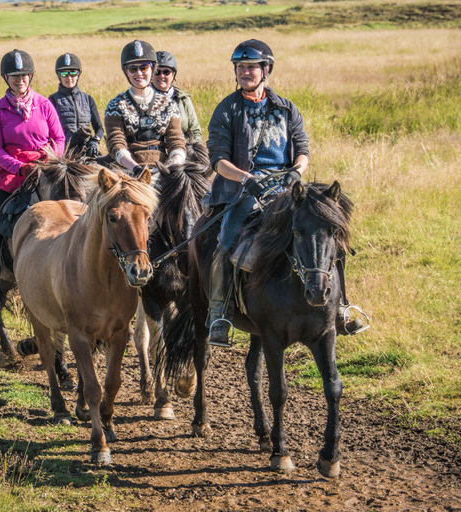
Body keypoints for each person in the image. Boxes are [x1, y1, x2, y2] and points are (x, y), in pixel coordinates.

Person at [205, 39, 365, 345]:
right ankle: (219, 316)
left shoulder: (286, 108)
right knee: (225, 244)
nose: (244, 72)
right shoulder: (226, 109)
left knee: (333, 237)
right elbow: (218, 159)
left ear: (266, 70)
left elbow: (302, 149)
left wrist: (297, 170)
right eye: (240, 67)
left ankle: (342, 308)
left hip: (287, 191)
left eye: (251, 67)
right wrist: (245, 178)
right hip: (244, 192)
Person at [0, 49, 65, 289]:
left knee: (74, 202)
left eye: (24, 75)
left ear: (31, 76)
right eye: (15, 75)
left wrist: (51, 160)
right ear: (6, 78)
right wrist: (20, 168)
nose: (20, 80)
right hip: (12, 172)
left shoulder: (44, 105)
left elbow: (59, 138)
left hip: (45, 167)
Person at [104, 40, 187, 176]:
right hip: (127, 170)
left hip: (163, 170)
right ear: (126, 71)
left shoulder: (169, 105)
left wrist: (172, 166)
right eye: (132, 69)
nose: (139, 73)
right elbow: (116, 143)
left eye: (144, 68)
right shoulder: (115, 105)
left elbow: (176, 140)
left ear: (152, 69)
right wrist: (136, 169)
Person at [48, 53, 104, 157]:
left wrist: (95, 140)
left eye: (73, 73)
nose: (69, 78)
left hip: (86, 150)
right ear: (58, 75)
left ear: (78, 74)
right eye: (64, 74)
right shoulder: (52, 100)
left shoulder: (88, 99)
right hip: (64, 153)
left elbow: (99, 128)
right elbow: (48, 132)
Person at [151, 51, 203, 142]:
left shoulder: (182, 98)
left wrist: (197, 152)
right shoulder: (142, 98)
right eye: (157, 72)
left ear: (173, 74)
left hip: (182, 149)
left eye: (166, 72)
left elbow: (195, 131)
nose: (161, 76)